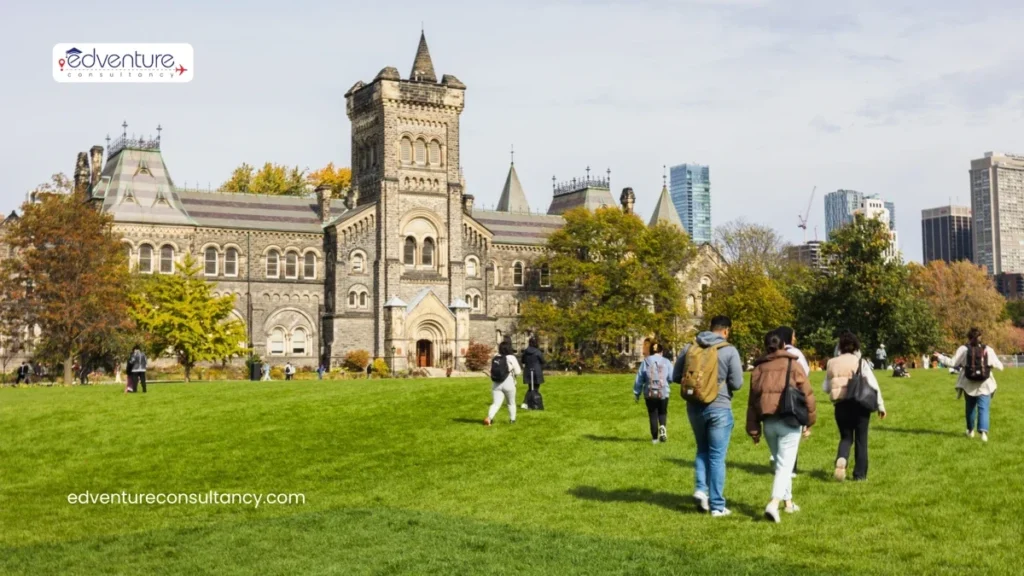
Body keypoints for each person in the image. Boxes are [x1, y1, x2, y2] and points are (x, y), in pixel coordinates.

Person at [672, 315, 744, 517]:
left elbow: (676, 376)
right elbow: (737, 383)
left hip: (694, 407)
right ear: (726, 331)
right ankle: (717, 506)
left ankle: (700, 490)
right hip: (719, 406)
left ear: (710, 328)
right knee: (717, 457)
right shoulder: (729, 350)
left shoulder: (690, 347)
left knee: (702, 449)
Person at [747, 331, 816, 523]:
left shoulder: (758, 368)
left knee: (780, 463)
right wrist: (809, 421)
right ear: (784, 345)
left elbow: (752, 402)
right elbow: (808, 394)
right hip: (789, 421)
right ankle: (774, 502)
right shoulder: (793, 365)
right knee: (785, 466)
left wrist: (754, 430)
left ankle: (788, 503)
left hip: (768, 422)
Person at [824, 332, 886, 481]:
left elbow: (826, 387)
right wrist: (880, 405)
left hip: (841, 405)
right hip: (860, 405)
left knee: (845, 437)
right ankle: (859, 475)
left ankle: (842, 458)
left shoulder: (831, 363)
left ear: (839, 347)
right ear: (856, 347)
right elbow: (872, 384)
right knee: (861, 440)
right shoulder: (860, 362)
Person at [936, 328, 1004, 442]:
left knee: (970, 408)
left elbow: (953, 363)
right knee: (984, 408)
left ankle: (970, 430)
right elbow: (999, 366)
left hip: (968, 383)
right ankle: (983, 434)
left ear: (968, 337)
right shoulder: (988, 349)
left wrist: (940, 357)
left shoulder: (963, 349)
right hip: (985, 383)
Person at [771, 327, 808, 476]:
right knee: (792, 430)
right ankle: (790, 468)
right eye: (794, 335)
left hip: (774, 395)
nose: (795, 338)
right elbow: (804, 373)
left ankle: (777, 457)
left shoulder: (772, 353)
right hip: (792, 395)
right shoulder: (796, 353)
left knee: (778, 428)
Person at [633, 341, 674, 444]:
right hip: (663, 391)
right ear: (661, 352)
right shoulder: (666, 361)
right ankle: (663, 428)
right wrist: (666, 383)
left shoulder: (645, 362)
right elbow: (671, 377)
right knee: (662, 412)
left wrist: (637, 393)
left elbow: (639, 379)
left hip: (649, 392)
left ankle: (655, 439)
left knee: (652, 414)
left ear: (651, 352)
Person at [485, 340, 522, 426]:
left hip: (496, 383)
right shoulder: (511, 358)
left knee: (496, 403)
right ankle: (512, 420)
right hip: (508, 382)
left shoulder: (496, 357)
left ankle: (489, 418)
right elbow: (518, 372)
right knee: (511, 403)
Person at [520, 337, 545, 410]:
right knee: (535, 388)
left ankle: (528, 403)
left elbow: (523, 360)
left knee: (531, 388)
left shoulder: (525, 352)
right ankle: (530, 403)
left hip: (528, 371)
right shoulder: (538, 352)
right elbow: (542, 361)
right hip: (536, 371)